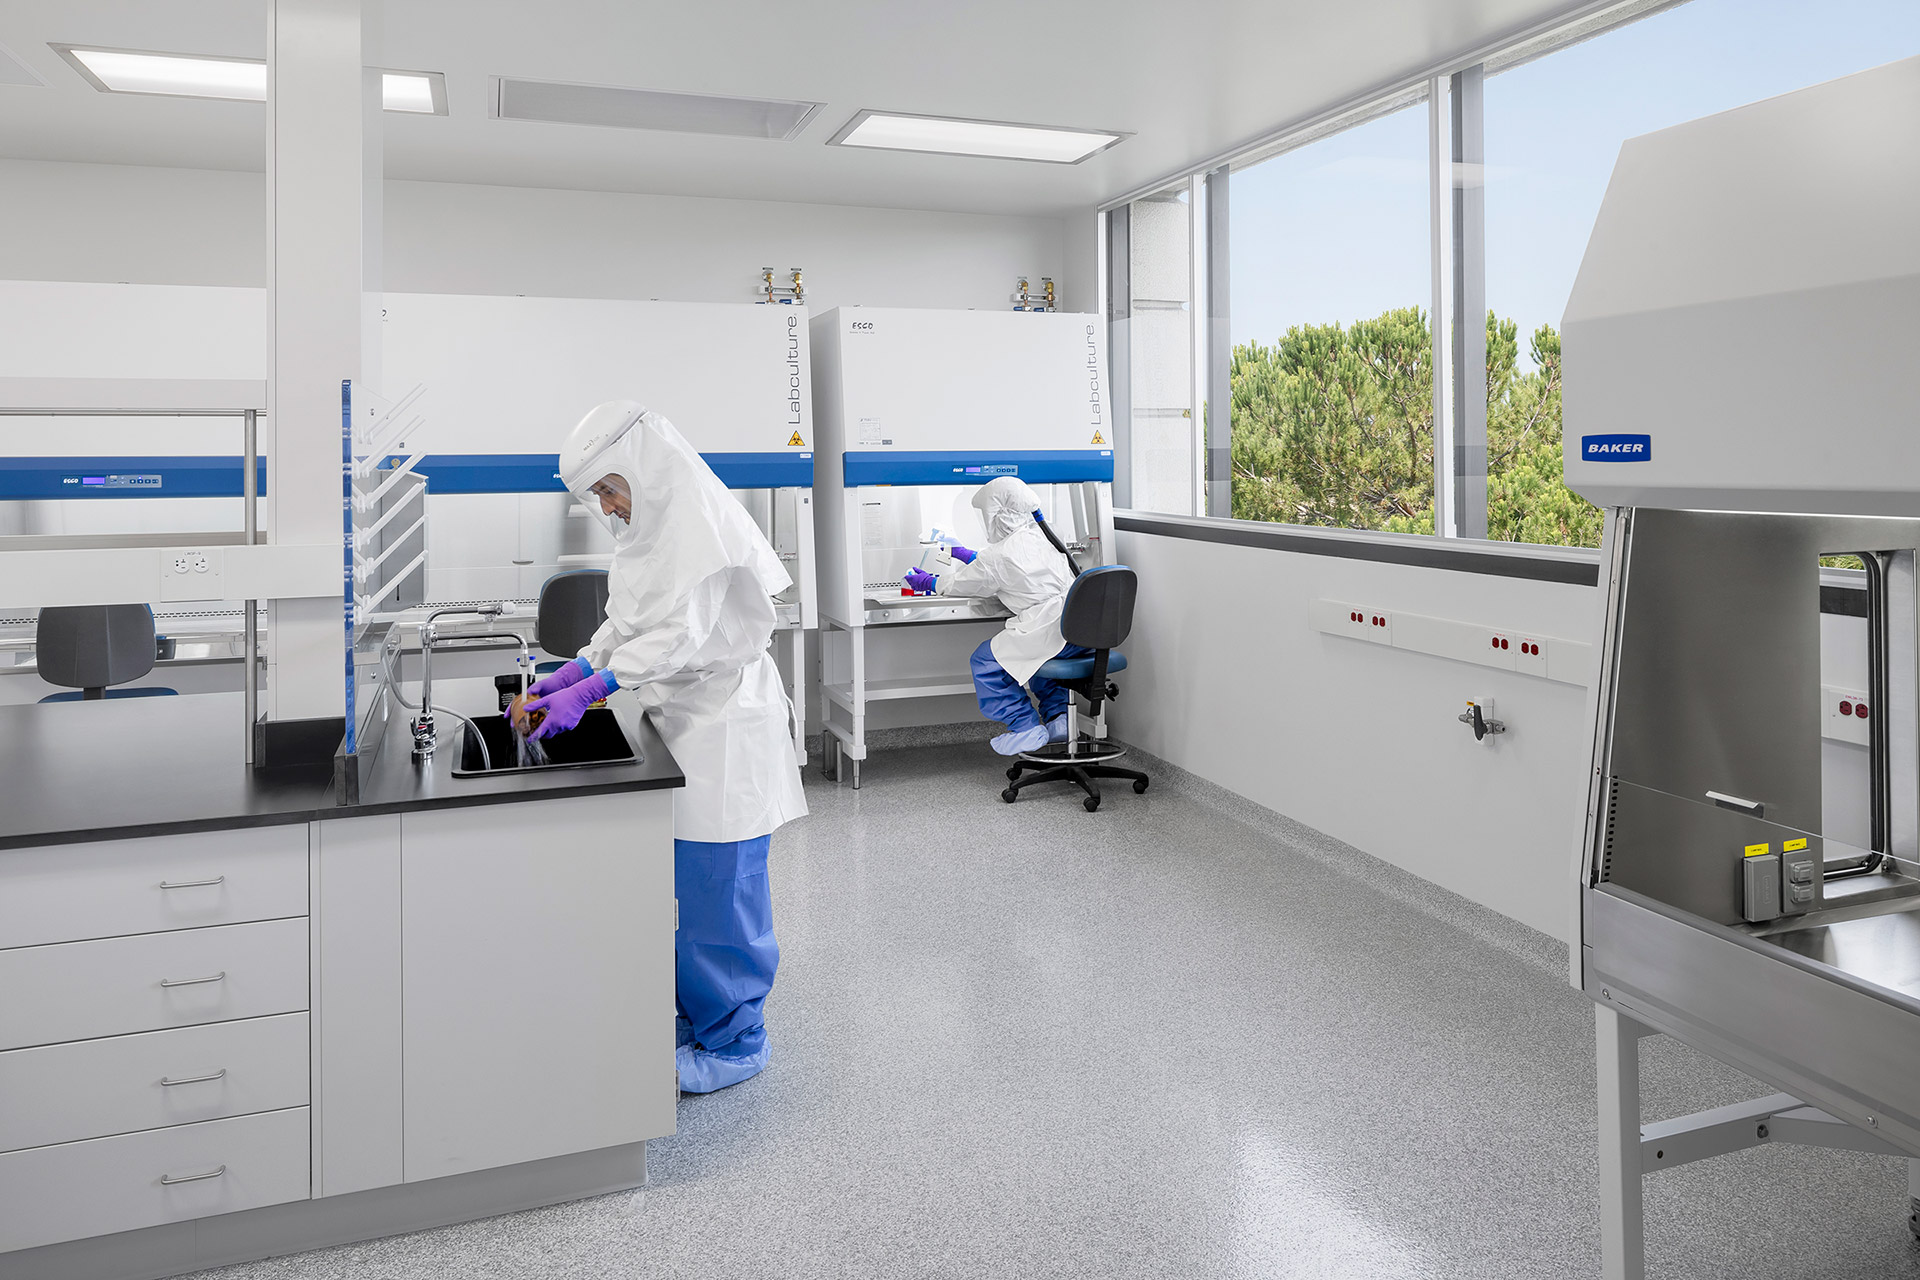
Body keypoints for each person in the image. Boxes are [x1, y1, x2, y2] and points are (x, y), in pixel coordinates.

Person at [513, 400, 807, 1095]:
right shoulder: (646, 537)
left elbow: (677, 639)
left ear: (644, 465)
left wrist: (592, 689)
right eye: (597, 496)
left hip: (726, 727)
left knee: (721, 897)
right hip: (683, 722)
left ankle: (738, 1040)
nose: (608, 506)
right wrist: (572, 671)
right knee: (689, 893)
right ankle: (700, 1016)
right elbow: (628, 624)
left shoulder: (701, 529)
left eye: (611, 487)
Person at [903, 476, 1088, 756]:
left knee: (986, 662)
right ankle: (1060, 719)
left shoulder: (999, 557)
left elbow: (964, 583)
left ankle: (1025, 726)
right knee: (1036, 661)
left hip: (1049, 629)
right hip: (1081, 631)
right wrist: (968, 555)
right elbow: (1013, 565)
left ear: (995, 515)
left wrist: (929, 582)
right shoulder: (1047, 534)